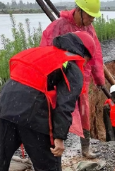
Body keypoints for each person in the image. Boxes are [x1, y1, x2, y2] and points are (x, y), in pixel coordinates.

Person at [0, 31, 96, 171]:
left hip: (4, 106)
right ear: (83, 52)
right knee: (48, 166)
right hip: (32, 113)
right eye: (88, 59)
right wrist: (59, 137)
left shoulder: (45, 53)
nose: (85, 64)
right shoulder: (71, 65)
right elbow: (65, 105)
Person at [40, 0, 105, 158]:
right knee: (55, 107)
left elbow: (96, 55)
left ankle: (85, 148)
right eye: (90, 15)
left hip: (83, 77)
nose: (92, 19)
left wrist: (99, 79)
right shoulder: (58, 26)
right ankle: (53, 145)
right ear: (79, 10)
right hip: (61, 77)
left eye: (93, 16)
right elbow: (44, 51)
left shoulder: (90, 30)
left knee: (84, 110)